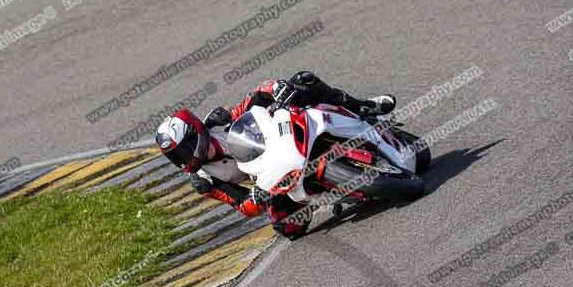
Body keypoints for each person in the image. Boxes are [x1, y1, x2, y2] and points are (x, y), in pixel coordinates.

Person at [154, 71, 395, 239]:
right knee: (286, 226)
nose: (183, 159)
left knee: (304, 81)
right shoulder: (204, 180)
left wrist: (275, 88)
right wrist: (256, 197)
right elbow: (240, 204)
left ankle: (362, 106)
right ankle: (331, 195)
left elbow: (255, 98)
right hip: (274, 179)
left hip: (284, 141)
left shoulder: (220, 122)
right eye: (175, 157)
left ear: (194, 134)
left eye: (183, 151)